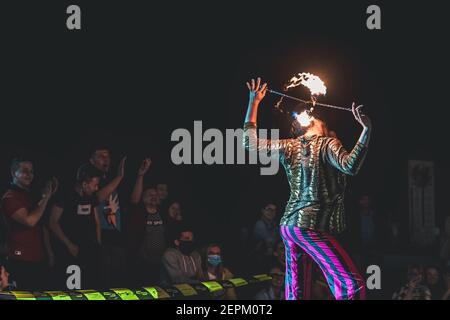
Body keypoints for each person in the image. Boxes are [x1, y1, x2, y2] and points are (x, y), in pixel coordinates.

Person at [243, 78, 371, 300]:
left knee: (297, 292)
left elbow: (249, 143)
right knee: (352, 286)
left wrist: (253, 103)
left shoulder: (289, 146)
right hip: (310, 229)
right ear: (314, 121)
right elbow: (351, 166)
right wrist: (367, 130)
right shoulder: (327, 143)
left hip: (289, 228)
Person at [1, 158, 57, 290]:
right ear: (14, 172)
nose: (29, 174)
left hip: (37, 259)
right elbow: (29, 221)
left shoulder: (29, 195)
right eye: (24, 171)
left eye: (31, 171)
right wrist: (46, 198)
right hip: (19, 259)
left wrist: (49, 252)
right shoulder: (10, 197)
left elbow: (42, 226)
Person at [49, 164, 102, 289]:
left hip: (88, 249)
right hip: (68, 250)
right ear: (84, 184)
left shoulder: (91, 197)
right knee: (71, 289)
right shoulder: (65, 195)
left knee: (88, 287)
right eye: (95, 185)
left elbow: (96, 221)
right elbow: (52, 222)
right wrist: (69, 244)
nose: (97, 188)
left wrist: (98, 245)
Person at [88, 147, 127, 287]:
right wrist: (119, 177)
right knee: (104, 281)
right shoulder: (88, 177)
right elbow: (97, 198)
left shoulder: (110, 178)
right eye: (101, 156)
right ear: (91, 161)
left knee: (119, 281)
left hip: (116, 233)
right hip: (100, 235)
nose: (106, 159)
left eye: (107, 156)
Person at [127, 158, 167, 286]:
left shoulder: (163, 214)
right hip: (143, 263)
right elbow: (134, 200)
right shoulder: (139, 214)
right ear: (143, 198)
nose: (154, 196)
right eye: (150, 194)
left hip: (161, 264)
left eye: (155, 194)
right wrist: (141, 175)